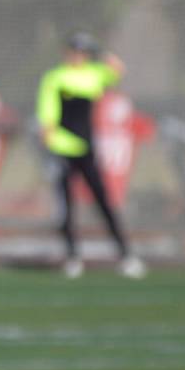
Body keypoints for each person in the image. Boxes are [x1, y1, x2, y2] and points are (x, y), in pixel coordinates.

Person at [36, 32, 146, 279]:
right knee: (66, 207)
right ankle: (73, 257)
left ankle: (125, 254)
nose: (78, 56)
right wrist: (50, 144)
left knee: (104, 202)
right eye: (75, 51)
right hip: (62, 148)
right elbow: (47, 118)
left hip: (86, 148)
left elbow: (117, 68)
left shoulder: (93, 74)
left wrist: (99, 50)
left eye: (83, 52)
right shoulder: (55, 78)